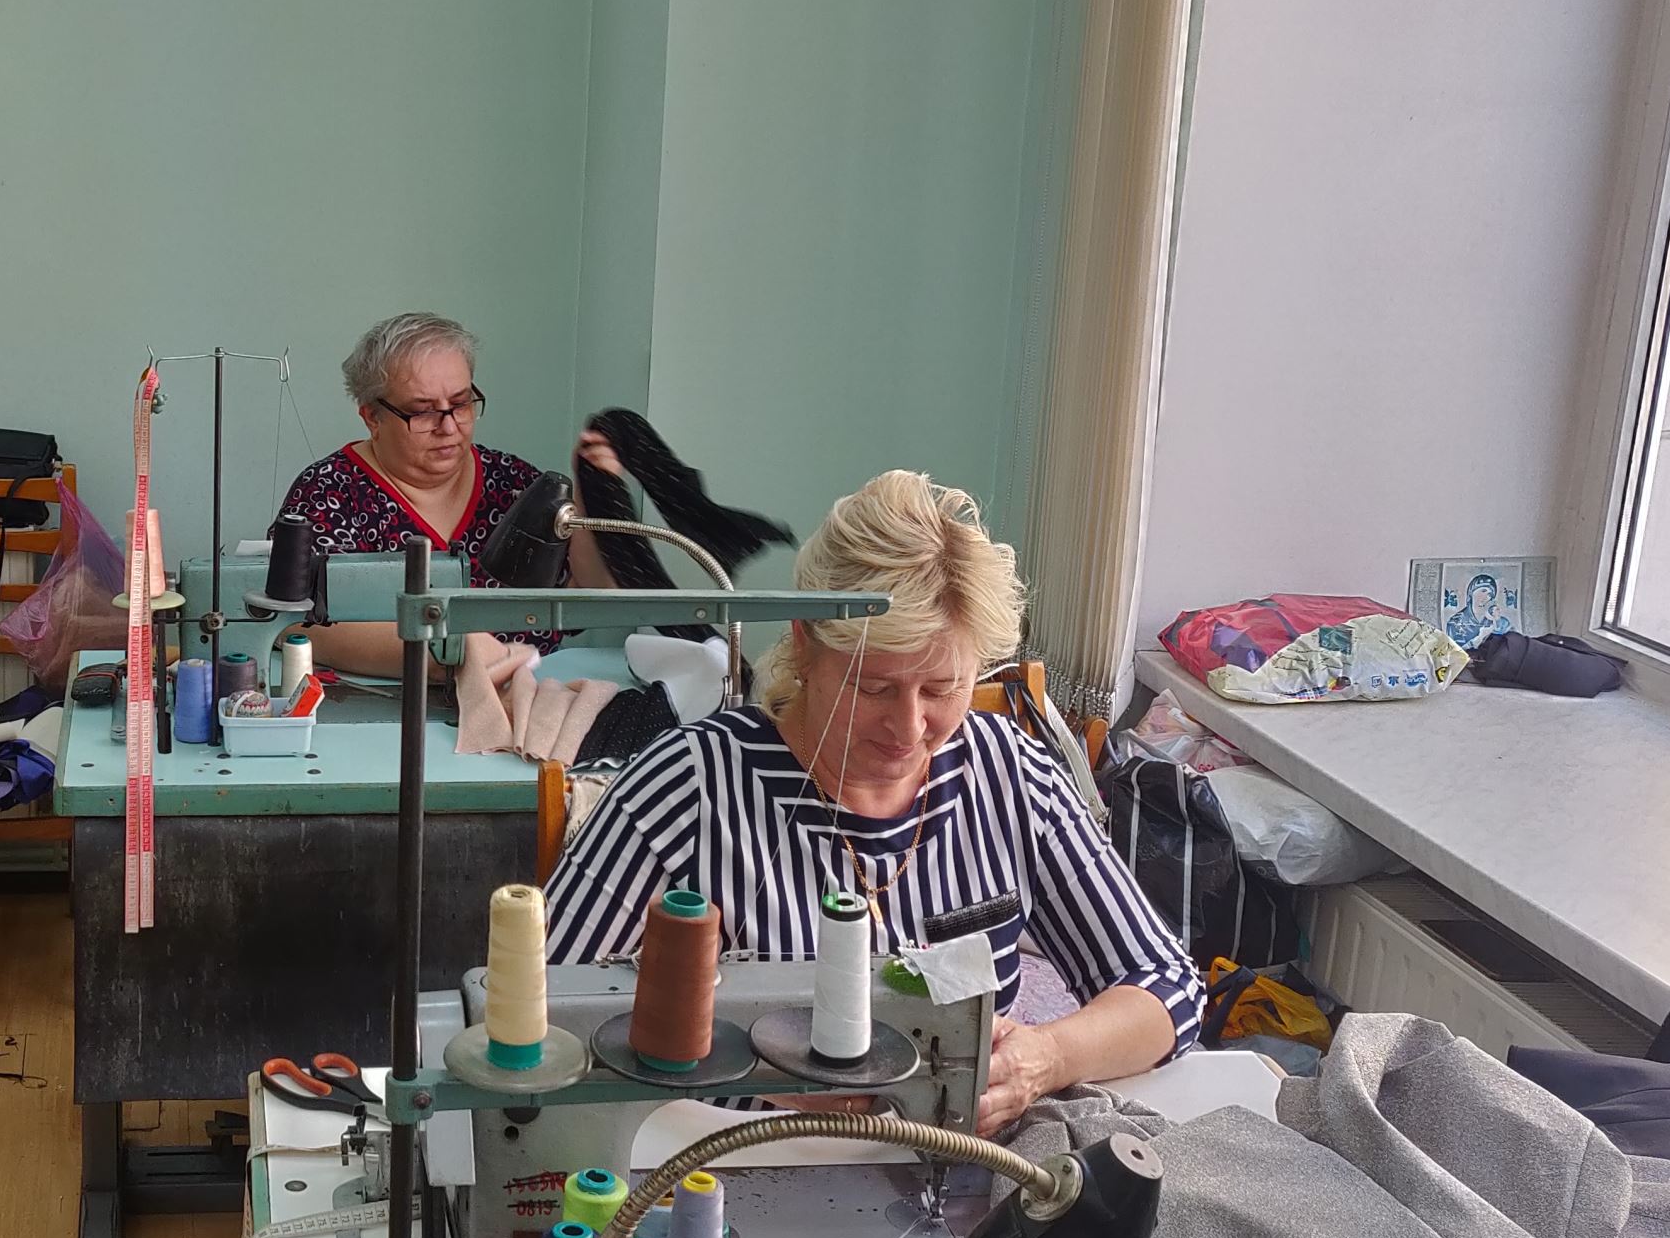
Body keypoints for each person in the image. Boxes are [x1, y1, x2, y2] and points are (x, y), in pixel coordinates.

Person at [544, 469, 1200, 1134]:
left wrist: (1045, 1057)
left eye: (941, 689)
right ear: (806, 643)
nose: (908, 728)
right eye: (874, 688)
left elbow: (1166, 984)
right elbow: (541, 1015)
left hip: (958, 1161)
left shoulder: (1011, 776)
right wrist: (760, 1083)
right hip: (740, 1161)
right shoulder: (688, 788)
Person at [281, 312, 627, 678]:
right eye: (422, 412)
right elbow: (293, 623)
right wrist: (449, 656)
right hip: (389, 703)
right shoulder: (328, 494)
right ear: (372, 417)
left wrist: (594, 495)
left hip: (529, 693)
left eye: (461, 404)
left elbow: (587, 592)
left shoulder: (514, 484)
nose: (448, 427)